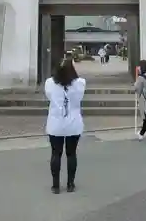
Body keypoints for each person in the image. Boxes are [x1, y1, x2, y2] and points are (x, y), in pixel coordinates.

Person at [45, 59, 86, 194]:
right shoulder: (80, 83)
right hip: (73, 124)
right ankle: (70, 184)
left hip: (56, 124)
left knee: (56, 154)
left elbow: (49, 97)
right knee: (71, 154)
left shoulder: (50, 83)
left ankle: (56, 186)